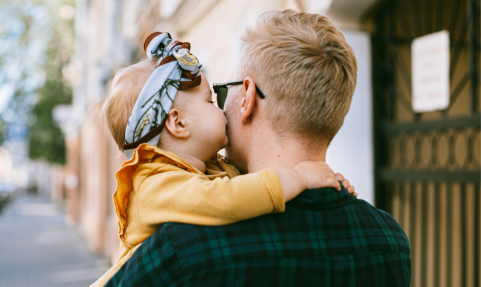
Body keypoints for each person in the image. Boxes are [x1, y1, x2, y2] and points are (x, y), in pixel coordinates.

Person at [105, 9, 411, 287]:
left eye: (221, 95)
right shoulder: (389, 240)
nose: (221, 110)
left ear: (248, 97)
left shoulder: (180, 248)